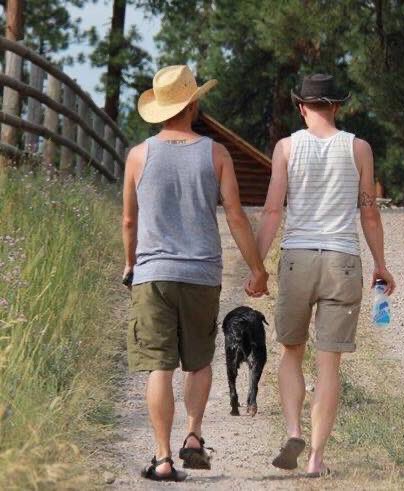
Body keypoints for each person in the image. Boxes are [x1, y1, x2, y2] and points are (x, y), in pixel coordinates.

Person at [122, 65, 269, 482]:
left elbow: (129, 221)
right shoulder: (216, 153)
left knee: (160, 366)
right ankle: (193, 435)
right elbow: (236, 216)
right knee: (199, 362)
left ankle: (162, 457)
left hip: (153, 274)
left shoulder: (138, 156)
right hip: (202, 273)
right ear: (193, 105)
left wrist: (131, 264)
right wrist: (257, 269)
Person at [251, 73, 396, 477]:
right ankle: (316, 458)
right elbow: (369, 212)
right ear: (337, 106)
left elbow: (273, 210)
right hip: (342, 260)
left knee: (291, 352)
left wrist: (257, 266)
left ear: (301, 107)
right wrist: (381, 264)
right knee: (329, 364)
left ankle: (294, 431)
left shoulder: (286, 148)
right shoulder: (359, 148)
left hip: (297, 259)